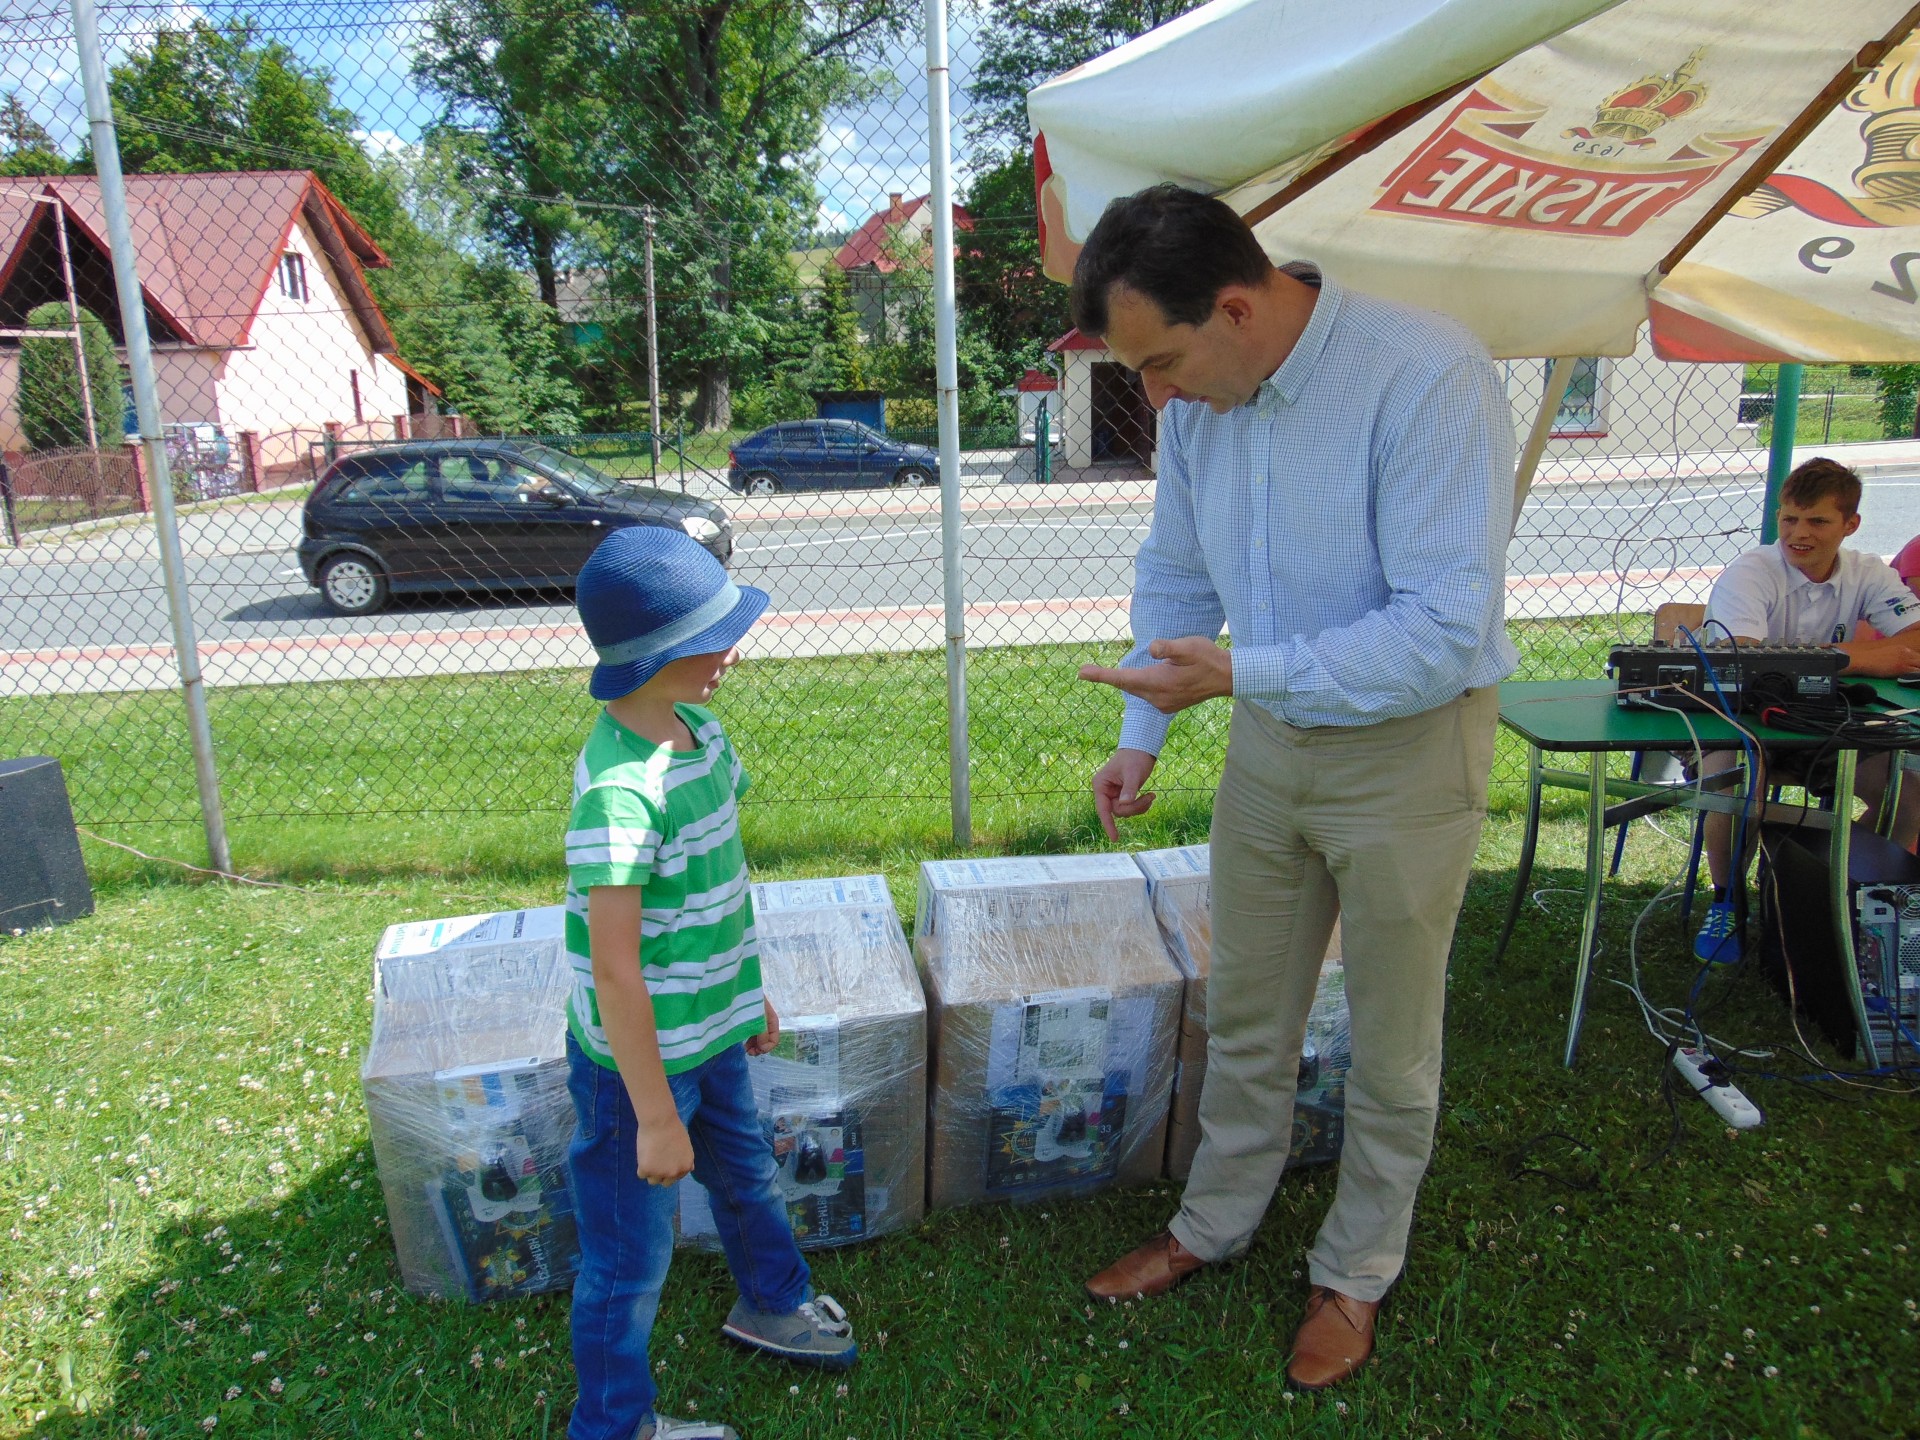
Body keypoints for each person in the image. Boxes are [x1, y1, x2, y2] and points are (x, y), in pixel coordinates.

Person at [1070, 185, 1515, 1392]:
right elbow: (1172, 571)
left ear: (1236, 305)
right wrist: (1140, 738)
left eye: (1162, 362)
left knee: (1391, 1035)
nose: (1154, 396)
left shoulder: (1426, 375)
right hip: (1270, 740)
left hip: (1410, 747)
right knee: (1251, 1005)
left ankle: (1357, 1270)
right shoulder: (1201, 398)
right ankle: (1212, 1224)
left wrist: (1240, 674)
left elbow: (1438, 628)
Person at [562, 526, 857, 1440]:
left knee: (747, 1178)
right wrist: (653, 1113)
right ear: (652, 655)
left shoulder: (702, 732)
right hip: (635, 1069)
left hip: (714, 1029)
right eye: (711, 637)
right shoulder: (620, 793)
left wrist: (745, 993)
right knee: (628, 1260)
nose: (731, 652)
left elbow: (716, 893)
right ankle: (611, 1428)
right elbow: (615, 967)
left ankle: (772, 1304)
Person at [1692, 457, 1920, 962]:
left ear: (1850, 525)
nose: (1799, 533)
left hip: (1826, 725)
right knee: (1730, 783)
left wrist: (1835, 664)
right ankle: (1726, 899)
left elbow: (1917, 640)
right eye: (1790, 518)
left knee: (1909, 795)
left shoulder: (1867, 571)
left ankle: (1848, 894)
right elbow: (1749, 663)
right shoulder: (1752, 571)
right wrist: (1862, 658)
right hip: (1740, 720)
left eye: (1817, 521)